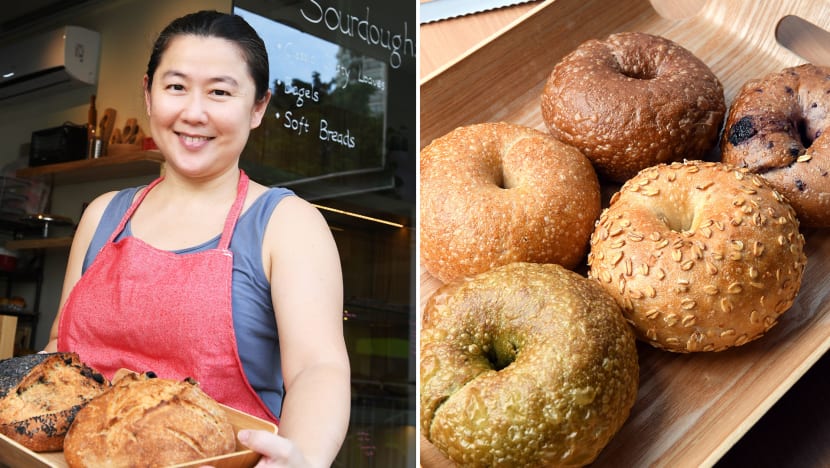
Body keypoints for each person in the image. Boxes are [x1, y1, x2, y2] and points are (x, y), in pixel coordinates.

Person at [43, 10, 350, 467]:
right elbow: (59, 353)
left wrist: (302, 457)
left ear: (258, 107)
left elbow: (317, 370)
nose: (194, 112)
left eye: (220, 92)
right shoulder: (102, 215)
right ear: (148, 94)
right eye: (176, 87)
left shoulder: (287, 224)